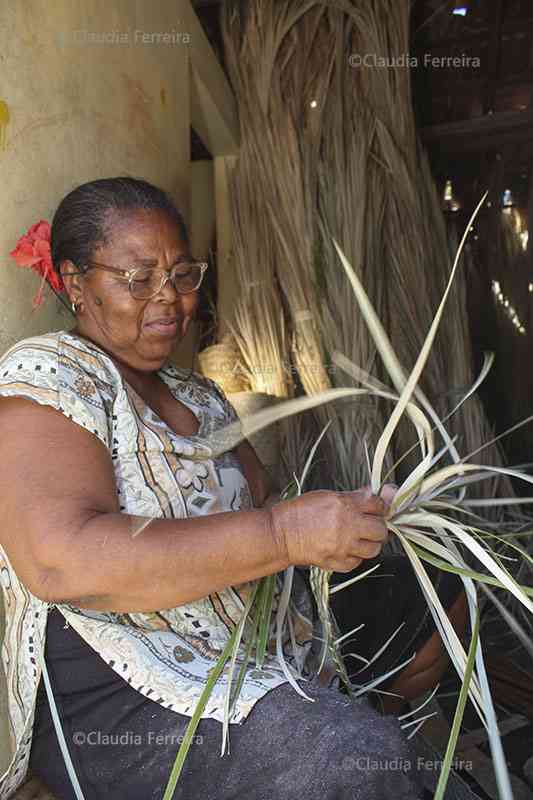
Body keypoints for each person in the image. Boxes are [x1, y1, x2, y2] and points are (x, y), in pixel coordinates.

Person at [0, 177, 467, 800]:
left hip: (249, 635)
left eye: (182, 275)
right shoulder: (51, 375)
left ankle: (362, 729)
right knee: (350, 758)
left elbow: (258, 503)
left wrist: (351, 515)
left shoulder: (197, 392)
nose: (169, 298)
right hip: (121, 694)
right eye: (139, 279)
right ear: (76, 282)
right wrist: (283, 534)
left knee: (434, 589)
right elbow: (62, 561)